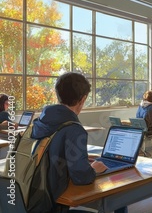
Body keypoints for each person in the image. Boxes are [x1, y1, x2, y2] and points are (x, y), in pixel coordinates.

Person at [26, 72, 128, 212]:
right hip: (51, 206)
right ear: (83, 99)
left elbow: (50, 158)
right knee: (119, 198)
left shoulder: (40, 122)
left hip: (31, 197)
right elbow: (82, 177)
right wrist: (93, 168)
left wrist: (80, 160)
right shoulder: (74, 128)